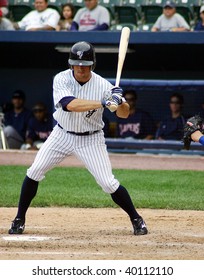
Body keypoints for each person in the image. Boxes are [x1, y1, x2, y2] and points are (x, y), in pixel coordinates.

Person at [8, 41, 148, 236]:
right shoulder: (61, 79)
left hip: (91, 140)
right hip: (61, 135)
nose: (81, 68)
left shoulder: (103, 85)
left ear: (92, 64)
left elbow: (124, 114)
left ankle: (136, 219)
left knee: (108, 183)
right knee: (35, 171)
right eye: (77, 64)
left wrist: (119, 101)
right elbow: (69, 104)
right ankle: (19, 219)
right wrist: (103, 102)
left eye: (85, 65)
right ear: (71, 64)